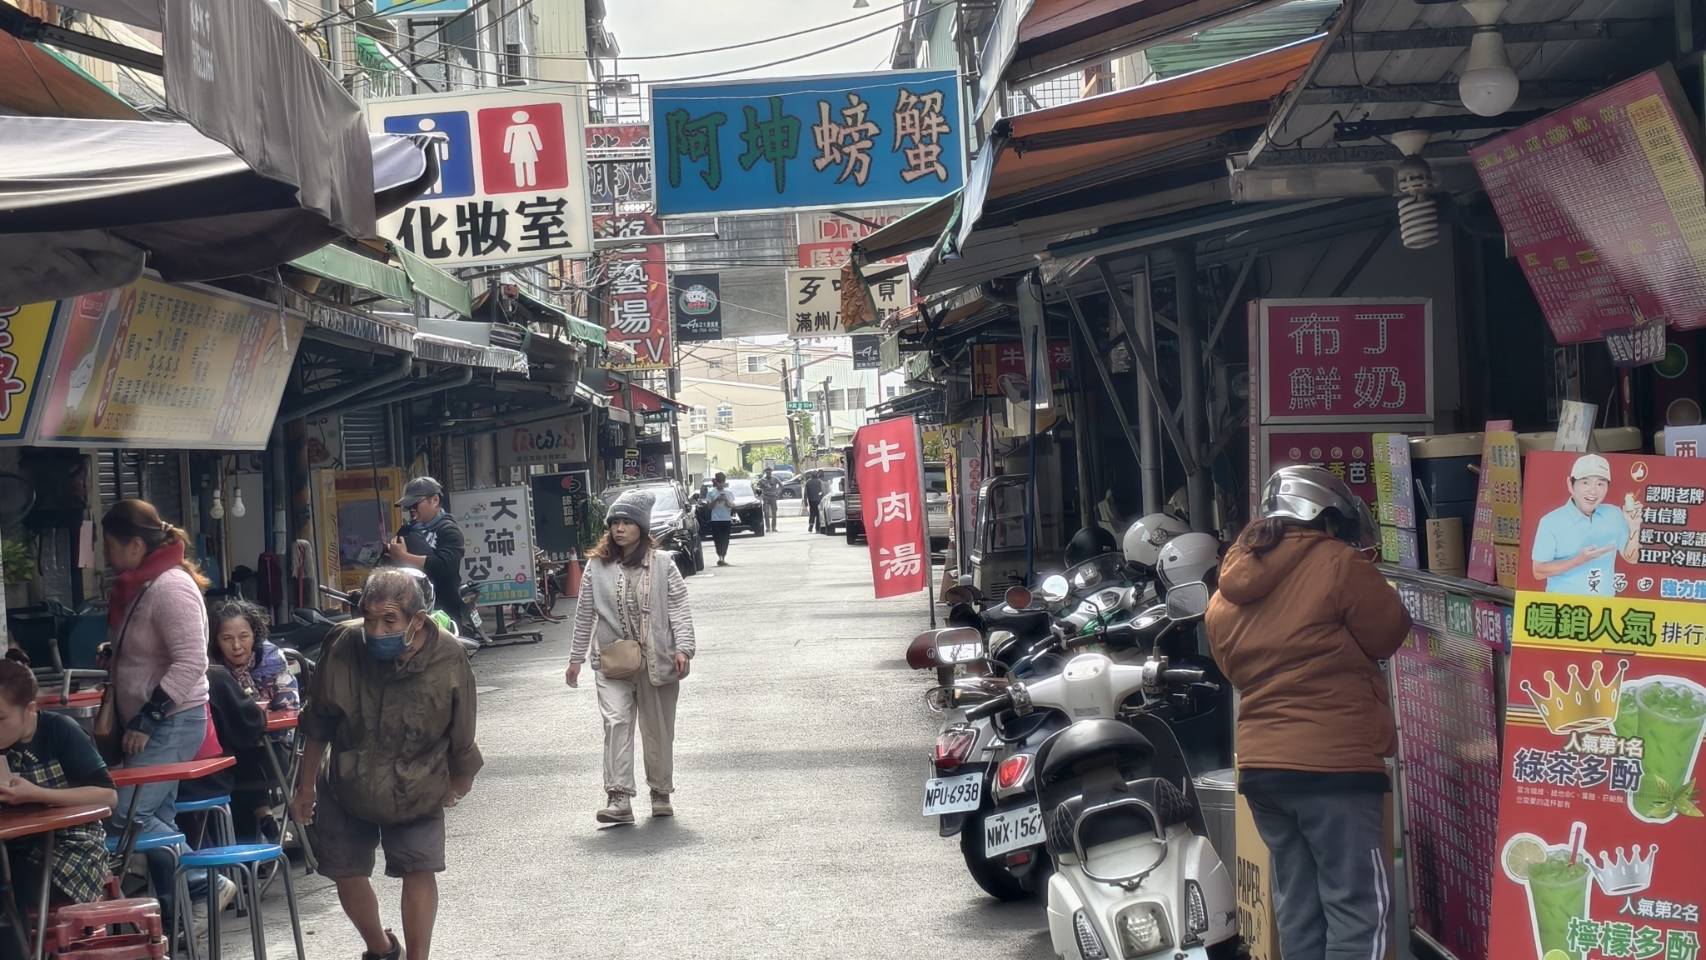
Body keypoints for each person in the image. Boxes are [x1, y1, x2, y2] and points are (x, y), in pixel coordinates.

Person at [1204, 465, 1411, 960]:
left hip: (1263, 770)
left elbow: (1232, 668)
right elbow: (1389, 632)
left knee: (1298, 907)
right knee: (1358, 908)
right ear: (1327, 518)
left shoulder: (1229, 585)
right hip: (1335, 767)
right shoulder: (1338, 563)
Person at [292, 567, 482, 960]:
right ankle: (380, 948)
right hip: (348, 779)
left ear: (417, 620)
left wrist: (460, 779)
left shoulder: (447, 655)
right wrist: (306, 786)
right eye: (369, 618)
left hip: (417, 780)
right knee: (344, 869)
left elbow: (462, 727)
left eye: (389, 621)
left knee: (419, 867)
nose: (376, 631)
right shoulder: (343, 643)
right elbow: (318, 720)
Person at [565, 489, 697, 826]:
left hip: (658, 660)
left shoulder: (663, 564)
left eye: (627, 522)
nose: (619, 528)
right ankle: (619, 797)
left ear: (642, 527)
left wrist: (683, 648)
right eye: (615, 523)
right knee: (616, 723)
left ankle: (660, 791)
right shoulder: (596, 566)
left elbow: (679, 608)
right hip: (612, 661)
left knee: (658, 729)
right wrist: (576, 659)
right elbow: (584, 614)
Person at [100, 500, 211, 841]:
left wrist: (149, 718)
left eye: (110, 547)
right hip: (151, 722)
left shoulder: (170, 586)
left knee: (126, 816)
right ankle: (185, 877)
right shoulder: (142, 585)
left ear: (135, 545)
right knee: (156, 816)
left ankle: (208, 873)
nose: (106, 557)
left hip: (170, 721)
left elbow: (192, 661)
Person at [0, 661, 116, 930]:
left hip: (70, 851)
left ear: (30, 708)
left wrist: (36, 794)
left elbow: (108, 796)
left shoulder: (60, 731)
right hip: (14, 848)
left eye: (1, 718)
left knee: (9, 890)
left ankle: (25, 948)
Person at [198, 600, 298, 840]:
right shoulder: (210, 670)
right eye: (227, 638)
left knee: (239, 755)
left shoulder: (273, 661)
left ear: (255, 634)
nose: (236, 646)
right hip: (228, 754)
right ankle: (262, 817)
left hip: (272, 750)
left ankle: (261, 818)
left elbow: (288, 706)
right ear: (215, 640)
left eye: (244, 636)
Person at [1531, 453, 1642, 596]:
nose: (1593, 491)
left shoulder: (1614, 514)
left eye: (1600, 484)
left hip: (1603, 606)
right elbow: (1538, 571)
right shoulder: (1550, 521)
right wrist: (1579, 560)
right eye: (1585, 482)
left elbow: (1631, 558)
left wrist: (1634, 526)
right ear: (1570, 485)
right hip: (1563, 606)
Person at [385, 477, 467, 627]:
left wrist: (404, 557)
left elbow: (447, 566)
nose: (411, 509)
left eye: (415, 504)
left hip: (444, 607)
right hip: (412, 608)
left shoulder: (448, 530)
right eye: (408, 506)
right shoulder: (406, 531)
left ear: (435, 500)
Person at [705, 472, 735, 566]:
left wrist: (726, 500)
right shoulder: (711, 492)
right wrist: (716, 499)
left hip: (726, 519)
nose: (721, 484)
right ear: (716, 482)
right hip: (715, 520)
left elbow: (732, 506)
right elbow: (709, 507)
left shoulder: (729, 493)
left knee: (725, 539)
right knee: (717, 539)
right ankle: (720, 557)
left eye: (722, 482)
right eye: (719, 482)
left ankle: (723, 556)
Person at [757, 467, 782, 533]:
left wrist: (778, 492)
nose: (768, 473)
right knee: (766, 513)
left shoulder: (775, 479)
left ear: (771, 472)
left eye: (770, 472)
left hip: (773, 497)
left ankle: (774, 527)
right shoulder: (762, 480)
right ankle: (768, 527)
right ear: (765, 472)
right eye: (767, 472)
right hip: (766, 497)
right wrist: (760, 494)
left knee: (774, 513)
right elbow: (758, 488)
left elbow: (781, 485)